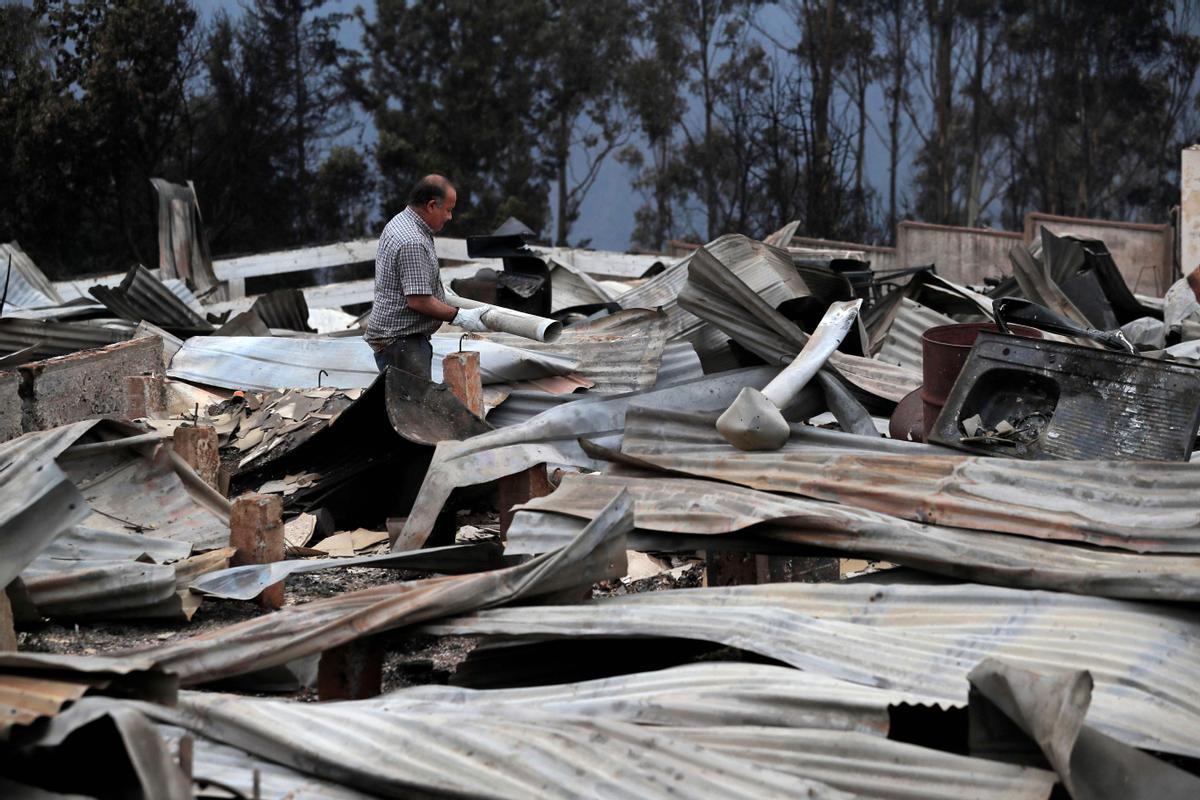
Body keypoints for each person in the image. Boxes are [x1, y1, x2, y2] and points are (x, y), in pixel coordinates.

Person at [364, 174, 488, 379]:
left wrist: (438, 291)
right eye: (448, 210)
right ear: (431, 206)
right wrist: (460, 316)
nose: (450, 217)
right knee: (416, 406)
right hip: (401, 342)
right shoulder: (412, 240)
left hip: (399, 341)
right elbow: (419, 301)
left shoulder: (403, 222)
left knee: (410, 403)